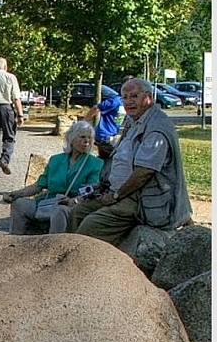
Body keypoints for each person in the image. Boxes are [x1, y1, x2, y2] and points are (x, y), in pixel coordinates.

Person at [68, 78, 192, 245]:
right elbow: (126, 157)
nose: (128, 102)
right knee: (77, 212)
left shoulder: (157, 127)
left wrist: (116, 195)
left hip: (143, 199)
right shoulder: (133, 121)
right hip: (118, 191)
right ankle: (67, 263)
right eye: (124, 97)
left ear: (148, 98)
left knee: (91, 226)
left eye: (134, 96)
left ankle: (85, 264)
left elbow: (145, 172)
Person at [2, 120, 102, 234]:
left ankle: (54, 247)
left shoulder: (95, 163)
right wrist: (15, 194)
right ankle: (16, 241)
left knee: (60, 210)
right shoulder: (55, 160)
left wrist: (73, 201)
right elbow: (38, 186)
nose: (87, 141)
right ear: (72, 139)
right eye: (82, 137)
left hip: (74, 204)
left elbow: (90, 191)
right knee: (20, 203)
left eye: (90, 138)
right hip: (48, 201)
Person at [84, 85, 126, 159]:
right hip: (104, 136)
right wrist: (84, 123)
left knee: (107, 160)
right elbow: (95, 108)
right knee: (112, 159)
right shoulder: (115, 101)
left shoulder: (124, 103)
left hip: (113, 135)